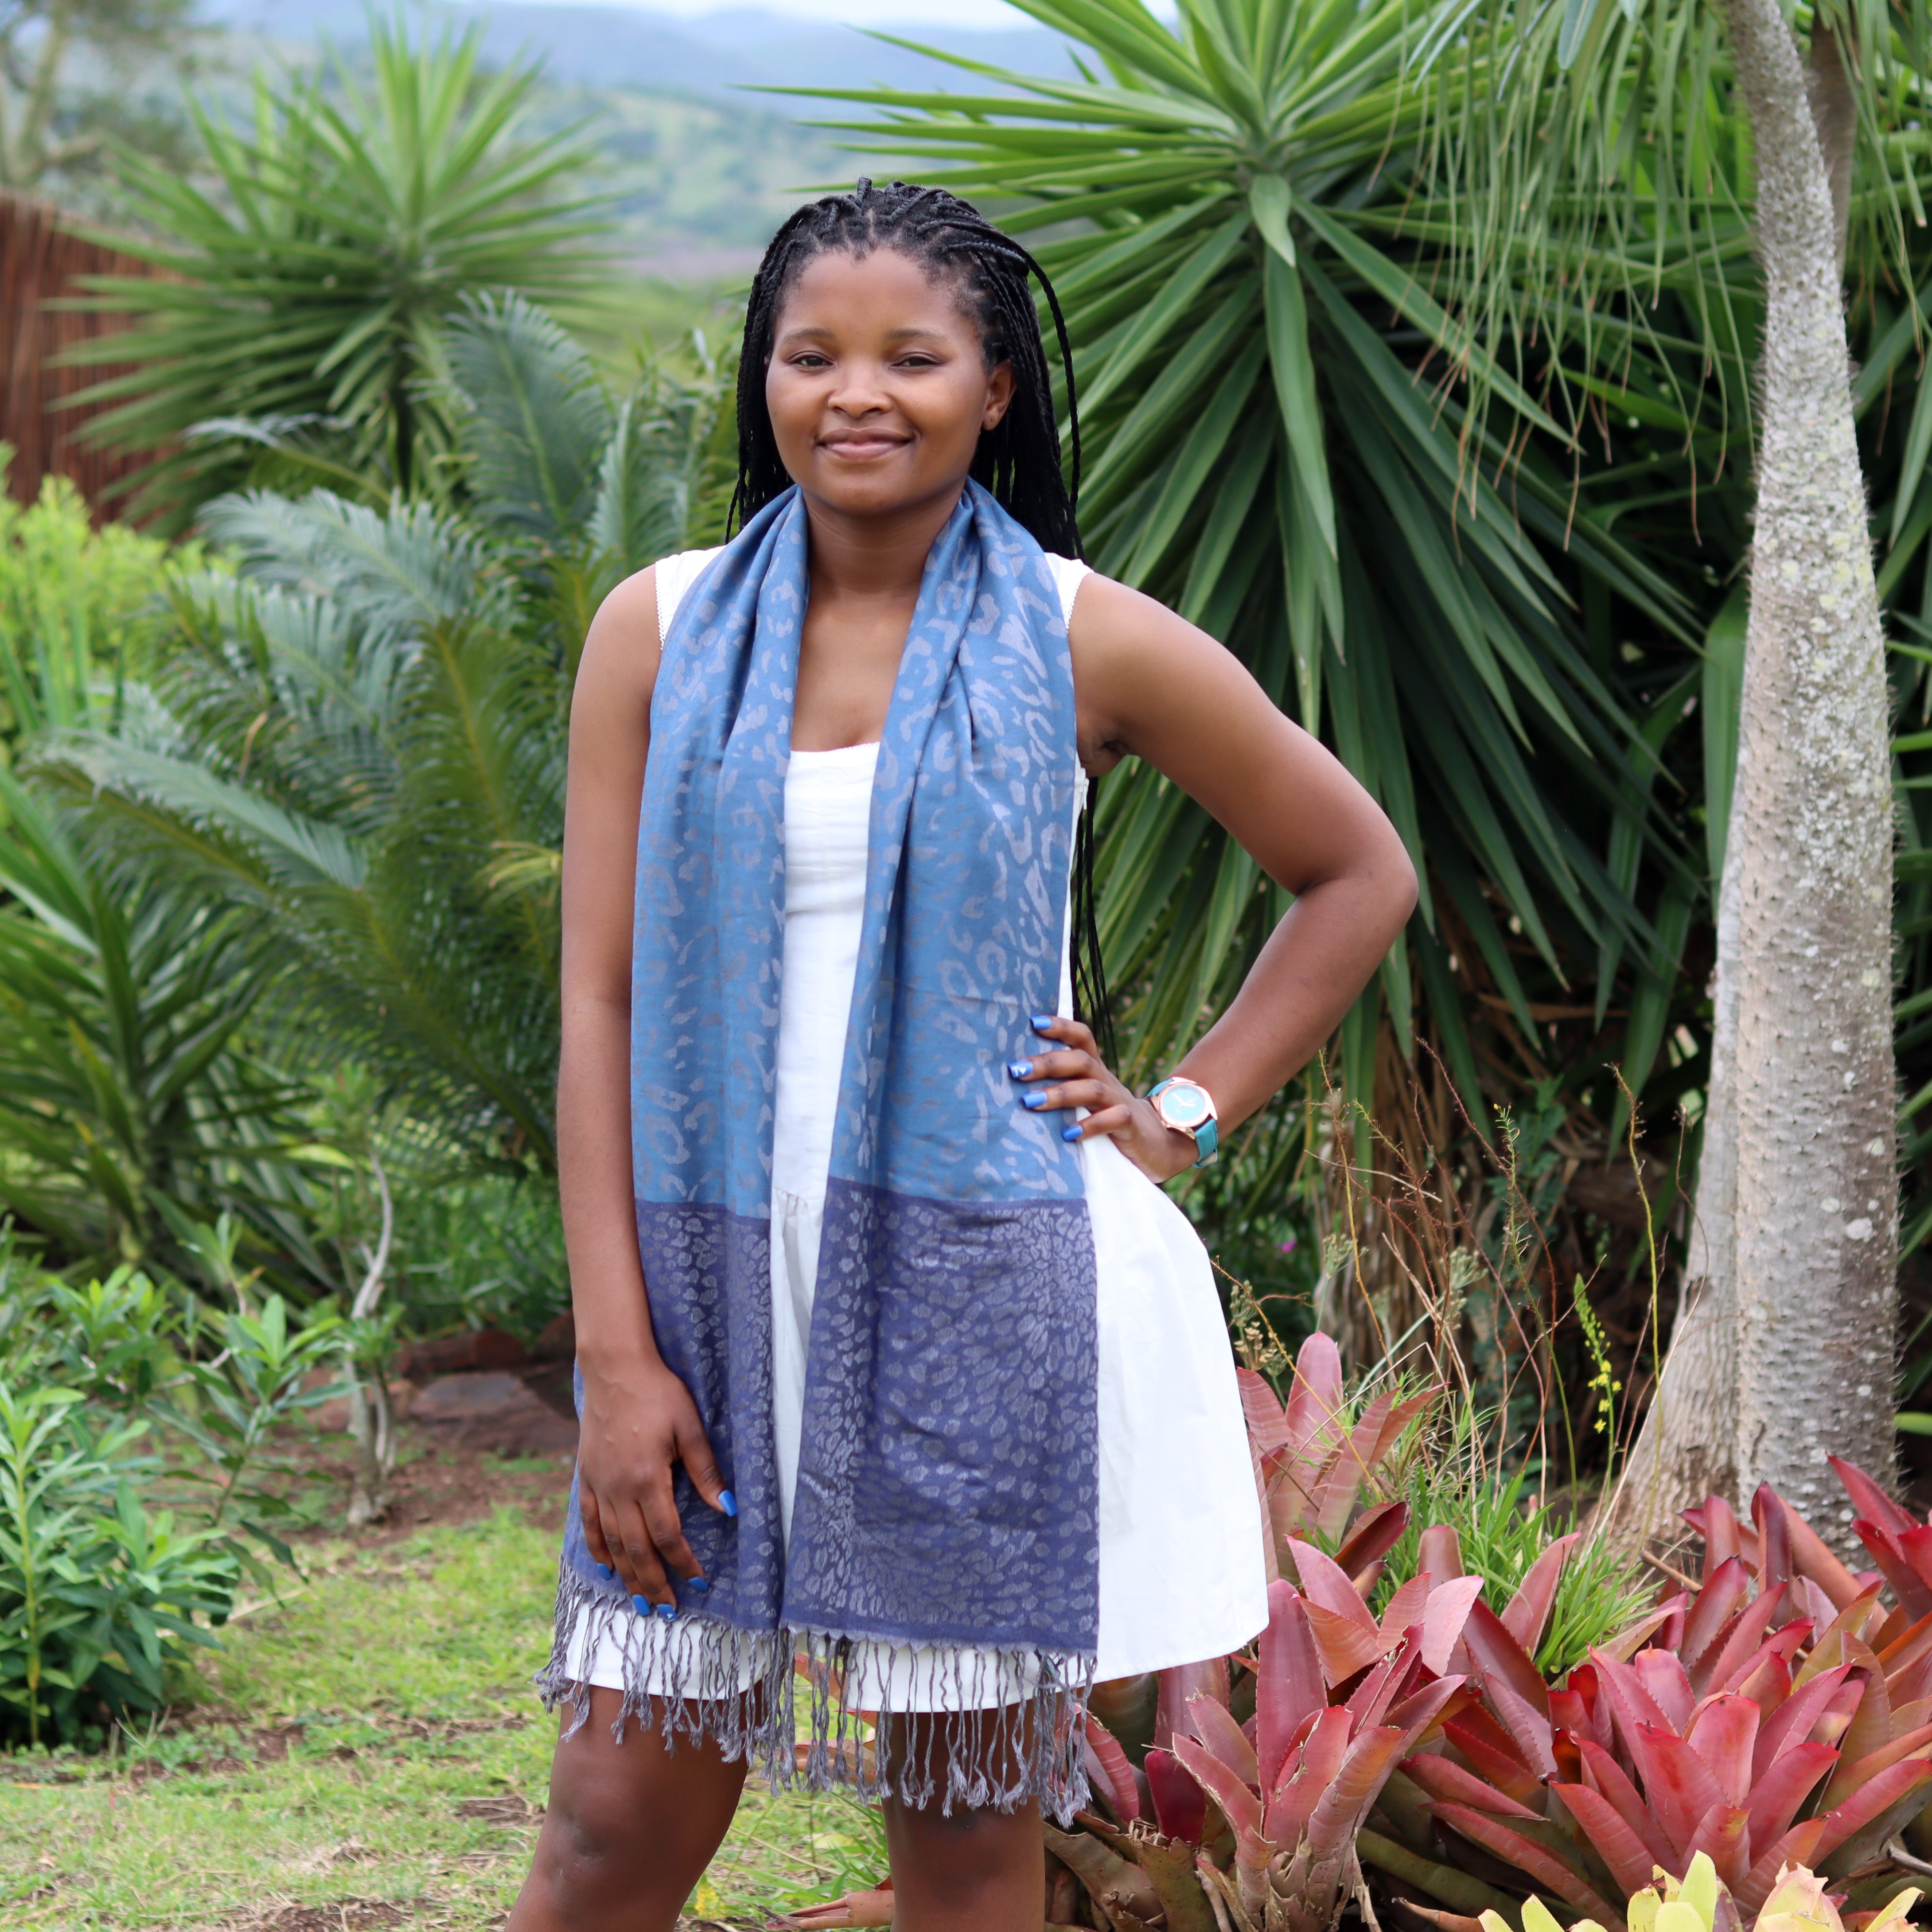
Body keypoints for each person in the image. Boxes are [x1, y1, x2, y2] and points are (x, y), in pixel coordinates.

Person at [507, 180, 1418, 1932]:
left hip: (980, 1308)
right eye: (811, 354)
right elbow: (600, 1001)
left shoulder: (1085, 635)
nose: (858, 391)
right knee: (611, 1829)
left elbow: (1354, 871)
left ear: (991, 385)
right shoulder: (662, 630)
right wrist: (616, 1358)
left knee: (961, 1852)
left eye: (911, 356)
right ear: (762, 381)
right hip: (710, 1297)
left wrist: (1178, 1113)